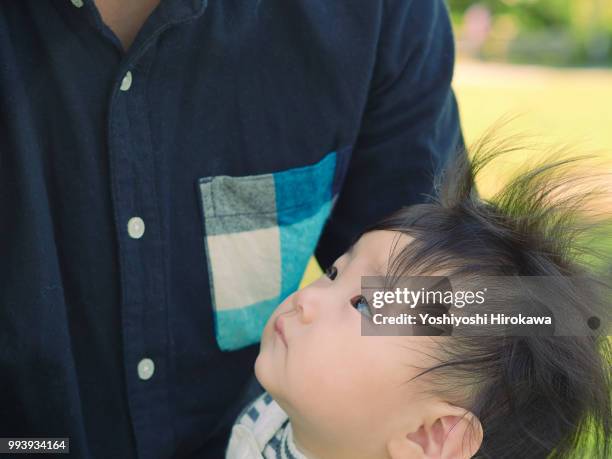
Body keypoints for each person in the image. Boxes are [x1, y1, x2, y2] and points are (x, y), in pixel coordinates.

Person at [0, 0, 462, 458]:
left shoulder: (383, 16)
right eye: (333, 275)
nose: (304, 300)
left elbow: (462, 314)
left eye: (358, 298)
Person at [227, 136, 611, 458]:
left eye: (363, 305)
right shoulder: (287, 419)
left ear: (429, 436)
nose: (307, 301)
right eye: (334, 273)